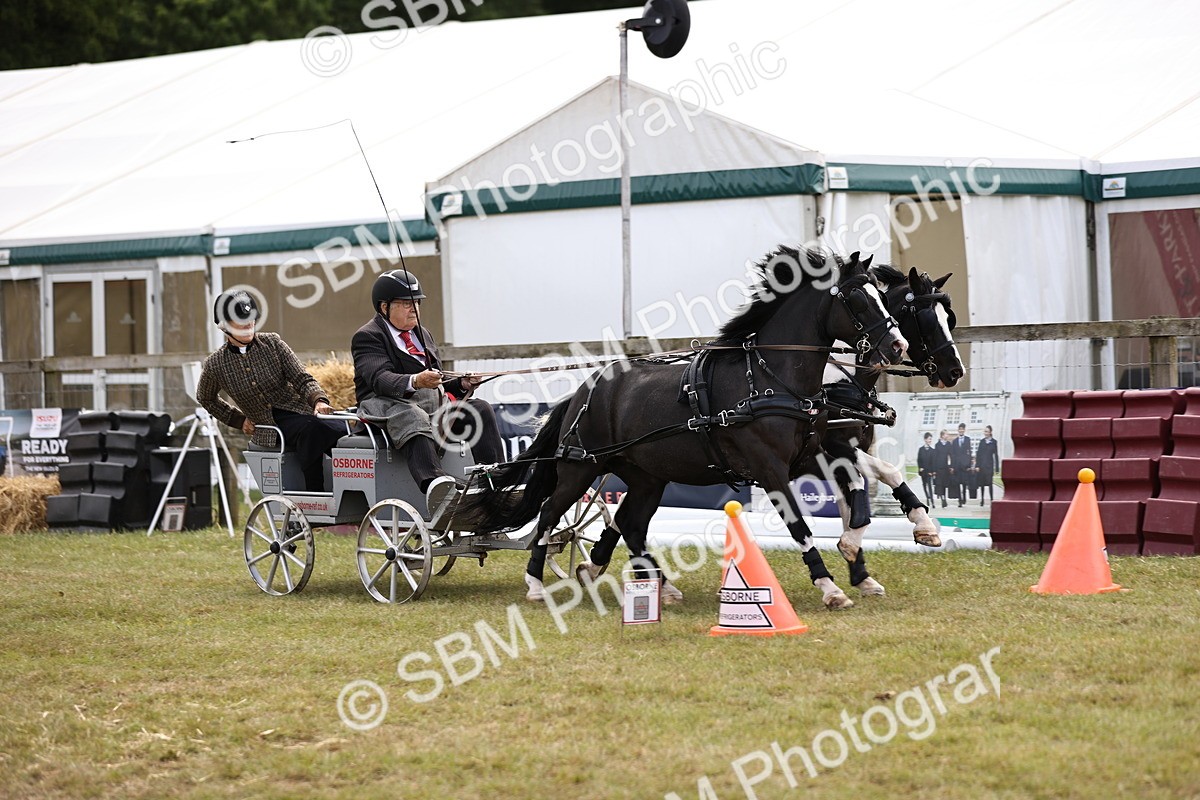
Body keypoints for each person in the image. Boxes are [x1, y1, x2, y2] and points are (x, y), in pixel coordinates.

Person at [351, 269, 504, 508]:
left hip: (430, 405)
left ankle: (495, 481)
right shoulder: (367, 336)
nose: (414, 308)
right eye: (405, 304)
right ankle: (437, 486)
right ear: (384, 307)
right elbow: (380, 379)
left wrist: (462, 383)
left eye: (416, 303)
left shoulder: (423, 334)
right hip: (386, 406)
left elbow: (437, 378)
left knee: (479, 409)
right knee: (413, 416)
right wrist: (416, 381)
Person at [197, 290, 343, 492]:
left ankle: (351, 486)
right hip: (269, 428)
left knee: (341, 429)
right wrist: (238, 420)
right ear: (224, 326)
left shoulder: (273, 343)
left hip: (301, 413)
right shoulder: (215, 364)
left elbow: (301, 377)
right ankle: (315, 492)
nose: (249, 324)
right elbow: (205, 398)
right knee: (312, 430)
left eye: (250, 318)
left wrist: (318, 400)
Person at [975, 424, 1000, 505]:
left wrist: (996, 468)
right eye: (984, 431)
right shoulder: (982, 442)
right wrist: (977, 466)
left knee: (990, 483)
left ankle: (992, 499)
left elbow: (995, 455)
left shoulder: (994, 442)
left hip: (989, 466)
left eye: (987, 431)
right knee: (982, 484)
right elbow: (978, 454)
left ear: (990, 432)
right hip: (982, 466)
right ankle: (982, 499)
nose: (985, 433)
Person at [950, 423, 972, 508]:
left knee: (964, 483)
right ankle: (960, 500)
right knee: (958, 483)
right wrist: (952, 466)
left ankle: (964, 496)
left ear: (964, 430)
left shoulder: (967, 439)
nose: (961, 430)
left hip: (965, 466)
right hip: (957, 466)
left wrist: (969, 464)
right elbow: (953, 454)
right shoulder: (955, 441)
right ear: (958, 430)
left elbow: (969, 452)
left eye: (962, 429)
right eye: (960, 429)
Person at [917, 432, 938, 507]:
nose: (930, 441)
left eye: (931, 439)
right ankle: (927, 498)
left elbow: (933, 462)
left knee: (930, 487)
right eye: (929, 439)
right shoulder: (921, 449)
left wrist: (932, 471)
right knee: (924, 486)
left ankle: (932, 502)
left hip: (929, 472)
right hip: (923, 472)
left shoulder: (933, 451)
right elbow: (919, 460)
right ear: (925, 439)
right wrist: (920, 468)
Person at [934, 430, 954, 508]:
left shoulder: (949, 444)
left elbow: (951, 455)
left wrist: (951, 466)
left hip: (946, 468)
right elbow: (935, 457)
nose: (947, 436)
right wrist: (935, 470)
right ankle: (943, 499)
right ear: (942, 435)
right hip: (939, 468)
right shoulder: (937, 445)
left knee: (945, 484)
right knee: (940, 484)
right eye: (946, 434)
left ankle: (944, 497)